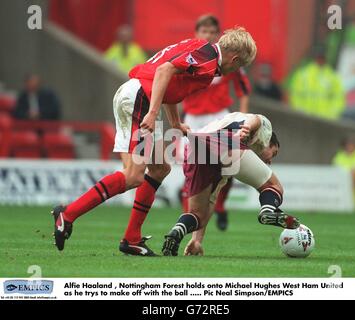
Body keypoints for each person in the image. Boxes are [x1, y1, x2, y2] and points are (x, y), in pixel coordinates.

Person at [52, 27, 258, 256]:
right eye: (238, 66)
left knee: (159, 169)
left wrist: (175, 123)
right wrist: (151, 113)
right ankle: (68, 214)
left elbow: (170, 82)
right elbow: (164, 70)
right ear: (235, 58)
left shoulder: (199, 47)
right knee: (133, 176)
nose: (234, 70)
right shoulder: (208, 59)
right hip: (140, 100)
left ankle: (132, 238)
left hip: (138, 96)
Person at [162, 112, 300, 256]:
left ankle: (177, 231)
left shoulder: (227, 131)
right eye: (274, 153)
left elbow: (212, 199)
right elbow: (258, 119)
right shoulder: (266, 132)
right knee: (274, 186)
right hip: (223, 140)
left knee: (198, 215)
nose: (271, 160)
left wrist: (197, 240)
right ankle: (268, 210)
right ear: (271, 142)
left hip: (193, 147)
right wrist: (248, 126)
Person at [180, 15, 252, 231]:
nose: (208, 35)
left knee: (229, 165)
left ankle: (219, 205)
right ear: (196, 33)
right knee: (191, 169)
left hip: (219, 116)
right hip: (193, 119)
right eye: (204, 31)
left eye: (212, 32)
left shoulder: (229, 60)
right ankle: (188, 218)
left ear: (218, 35)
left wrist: (243, 119)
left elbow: (244, 91)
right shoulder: (190, 57)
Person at [289, 46, 345, 120]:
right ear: (315, 58)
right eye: (319, 57)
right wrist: (300, 112)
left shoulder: (333, 77)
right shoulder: (303, 75)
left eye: (323, 57)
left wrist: (331, 116)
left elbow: (339, 99)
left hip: (325, 120)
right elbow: (295, 96)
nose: (321, 60)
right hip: (305, 118)